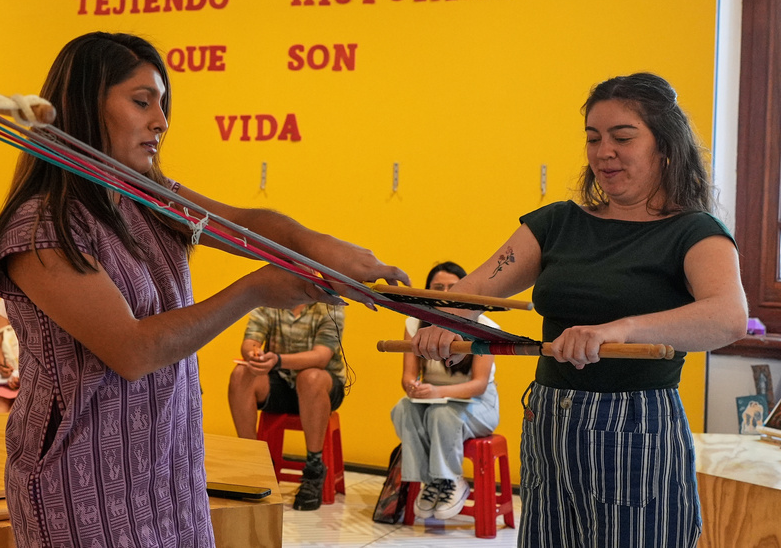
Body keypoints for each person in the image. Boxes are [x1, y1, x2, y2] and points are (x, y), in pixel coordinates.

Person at [0, 31, 408, 548]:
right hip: (83, 485)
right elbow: (134, 349)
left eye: (162, 104)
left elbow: (244, 223)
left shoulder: (145, 195)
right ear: (86, 106)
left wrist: (322, 248)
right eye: (141, 102)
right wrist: (256, 289)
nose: (160, 121)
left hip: (170, 475)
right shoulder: (40, 228)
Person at [411, 73, 748, 548]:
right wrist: (441, 317)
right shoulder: (557, 223)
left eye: (622, 137)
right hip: (549, 419)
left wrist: (622, 329)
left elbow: (728, 317)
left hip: (637, 427)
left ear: (665, 147)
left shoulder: (693, 231)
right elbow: (472, 292)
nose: (602, 151)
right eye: (592, 138)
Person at [391, 261, 500, 520]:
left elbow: (479, 385)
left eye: (454, 287)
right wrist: (413, 388)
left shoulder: (484, 326)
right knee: (403, 408)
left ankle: (451, 479)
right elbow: (408, 376)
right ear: (428, 291)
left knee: (443, 415)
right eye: (438, 287)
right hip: (431, 400)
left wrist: (438, 394)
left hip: (477, 404)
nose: (445, 293)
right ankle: (430, 481)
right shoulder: (414, 324)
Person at [227, 302, 347, 511]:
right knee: (240, 374)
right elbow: (250, 342)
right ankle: (253, 461)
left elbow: (321, 356)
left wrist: (278, 360)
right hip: (280, 381)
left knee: (310, 378)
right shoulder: (271, 300)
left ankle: (314, 468)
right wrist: (254, 355)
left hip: (323, 385)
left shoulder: (330, 305)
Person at [0, 298, 19, 413]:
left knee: (16, 411)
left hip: (32, 371)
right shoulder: (6, 298)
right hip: (7, 370)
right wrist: (3, 366)